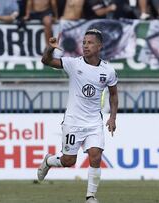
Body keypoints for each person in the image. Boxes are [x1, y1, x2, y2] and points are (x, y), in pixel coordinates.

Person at [39, 29, 119, 203]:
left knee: (96, 155)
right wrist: (50, 48)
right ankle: (49, 161)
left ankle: (90, 196)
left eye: (90, 42)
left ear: (100, 46)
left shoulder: (108, 71)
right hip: (73, 121)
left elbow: (113, 94)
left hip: (93, 121)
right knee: (68, 161)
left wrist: (112, 117)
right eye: (84, 42)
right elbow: (45, 60)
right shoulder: (73, 64)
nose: (85, 46)